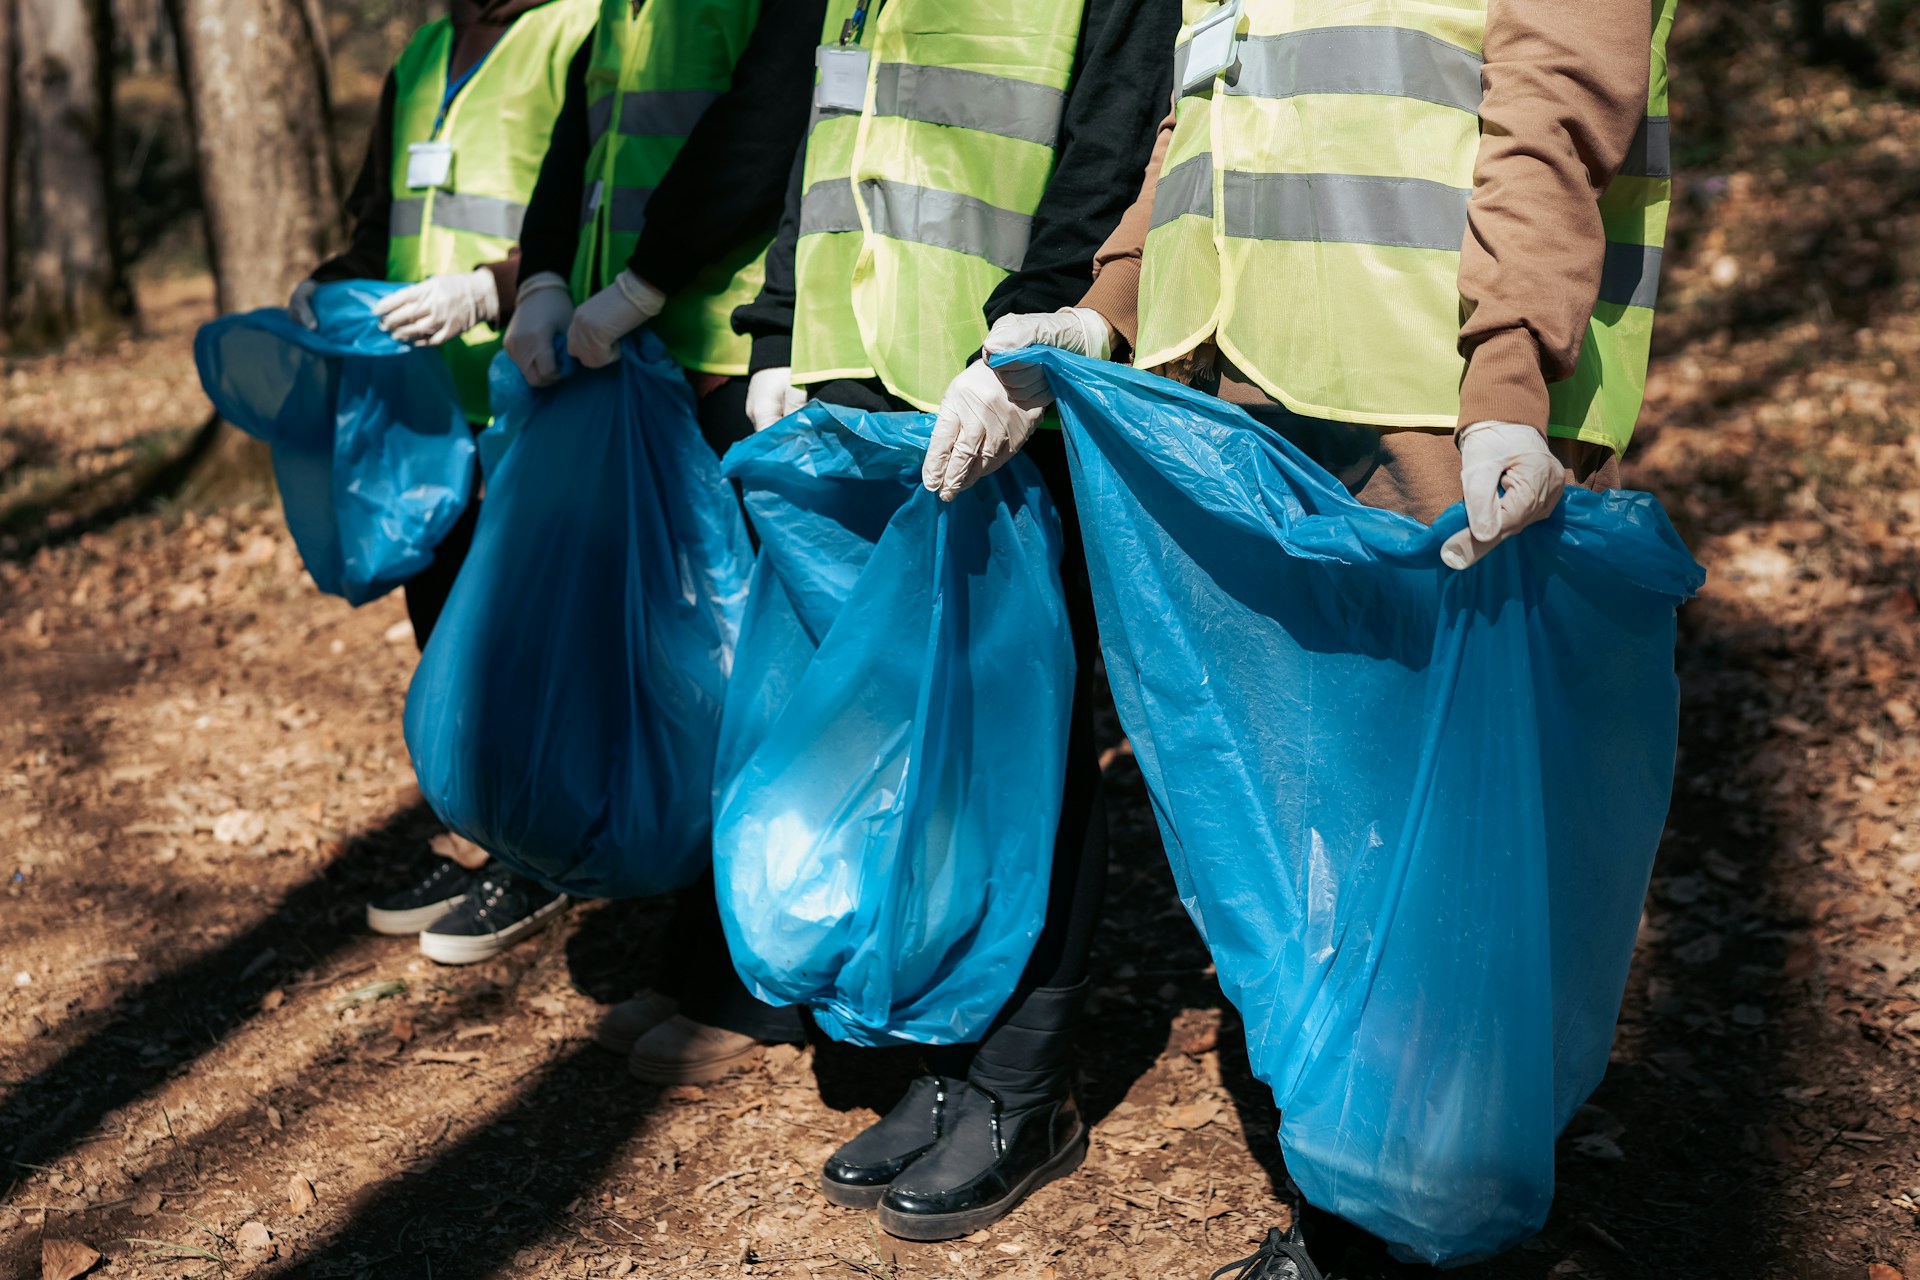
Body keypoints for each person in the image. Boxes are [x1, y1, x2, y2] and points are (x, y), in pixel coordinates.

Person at [929, 0, 1672, 1274]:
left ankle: (1424, 1226)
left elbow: (1555, 99)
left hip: (1426, 398)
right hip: (1253, 389)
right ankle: (1369, 1200)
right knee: (1325, 813)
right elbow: (1205, 107)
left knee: (1430, 830)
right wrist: (1105, 302)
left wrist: (1506, 379)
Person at [729, 0, 1179, 1242]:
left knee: (1020, 731)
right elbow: (829, 139)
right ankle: (940, 1047)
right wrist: (779, 325)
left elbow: (1117, 135)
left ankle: (1025, 1087)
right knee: (902, 735)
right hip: (855, 384)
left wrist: (1036, 336)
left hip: (991, 384)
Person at [499, 0, 828, 1084]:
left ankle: (752, 988)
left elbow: (769, 116)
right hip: (632, 360)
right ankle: (697, 960)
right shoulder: (618, 9)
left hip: (715, 349)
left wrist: (644, 282)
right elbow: (576, 142)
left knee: (747, 682)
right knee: (690, 682)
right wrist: (545, 271)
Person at [292, 0, 599, 967]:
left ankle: (536, 856)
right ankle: (477, 834)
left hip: (529, 384)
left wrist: (490, 288)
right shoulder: (422, 56)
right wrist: (332, 279)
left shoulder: (573, 30)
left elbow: (589, 206)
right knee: (441, 630)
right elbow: (380, 219)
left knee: (518, 638)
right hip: (422, 408)